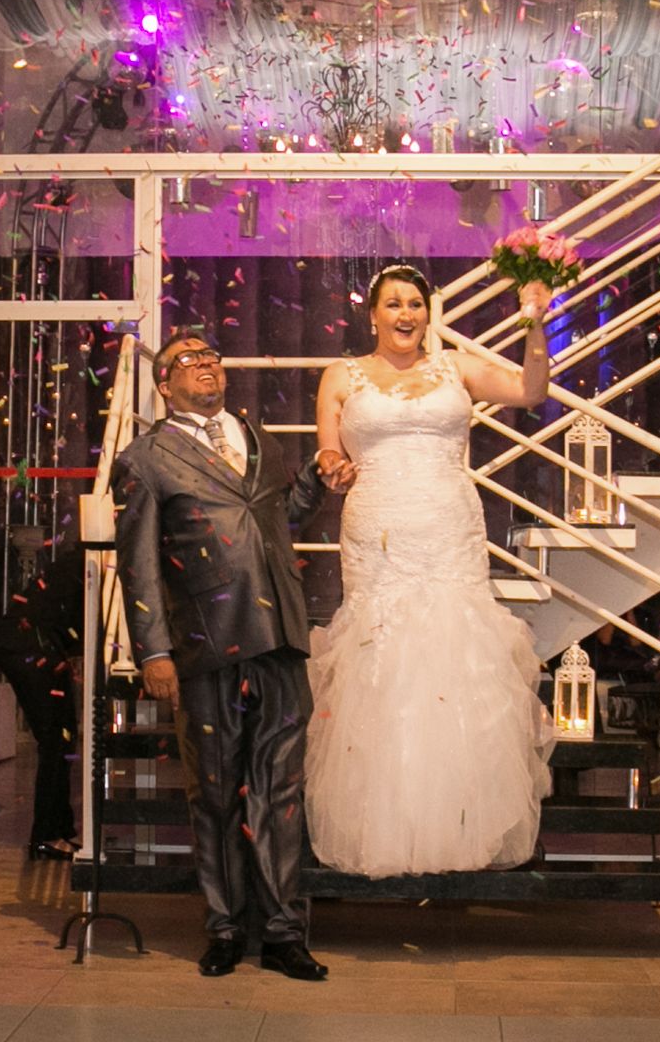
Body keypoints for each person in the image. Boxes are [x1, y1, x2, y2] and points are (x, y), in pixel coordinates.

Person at [305, 263, 554, 878]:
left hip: (448, 529)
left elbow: (531, 391)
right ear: (373, 314)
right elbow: (329, 452)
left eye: (415, 304)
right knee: (381, 658)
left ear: (428, 311)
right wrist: (332, 468)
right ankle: (381, 825)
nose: (405, 315)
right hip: (378, 533)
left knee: (454, 656)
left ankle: (458, 821)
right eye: (393, 305)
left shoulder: (456, 367)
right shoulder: (341, 375)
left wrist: (536, 325)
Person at [114, 330, 337, 980]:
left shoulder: (257, 440)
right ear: (164, 384)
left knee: (283, 792)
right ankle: (222, 927)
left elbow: (280, 518)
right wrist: (152, 650)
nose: (206, 365)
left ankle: (285, 933)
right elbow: (139, 564)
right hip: (205, 647)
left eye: (213, 357)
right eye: (188, 360)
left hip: (280, 641)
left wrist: (317, 484)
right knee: (214, 793)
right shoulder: (146, 458)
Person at [0, 534, 82, 859]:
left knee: (62, 739)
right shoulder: (90, 561)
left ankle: (60, 829)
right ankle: (47, 836)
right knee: (57, 739)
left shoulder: (80, 560)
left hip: (35, 645)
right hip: (29, 646)